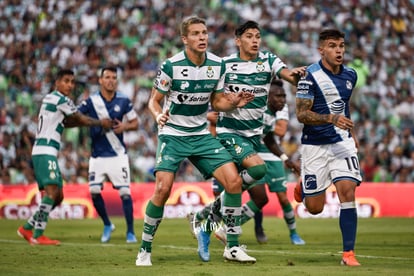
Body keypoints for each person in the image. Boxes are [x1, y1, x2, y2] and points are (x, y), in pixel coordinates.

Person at [135, 16, 256, 266]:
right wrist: (159, 116)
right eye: (196, 33)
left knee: (233, 182)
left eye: (205, 33)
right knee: (162, 189)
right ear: (184, 39)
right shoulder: (171, 66)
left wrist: (233, 103)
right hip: (173, 134)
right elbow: (153, 101)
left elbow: (217, 101)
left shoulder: (217, 65)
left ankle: (231, 247)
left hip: (200, 135)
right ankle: (144, 249)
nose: (202, 37)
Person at [192, 20, 306, 260]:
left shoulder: (268, 60)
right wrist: (230, 101)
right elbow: (215, 100)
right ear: (238, 40)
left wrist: (297, 76)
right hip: (229, 133)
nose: (255, 40)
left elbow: (287, 75)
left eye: (258, 36)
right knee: (258, 168)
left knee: (236, 186)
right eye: (250, 36)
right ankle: (227, 241)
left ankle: (211, 229)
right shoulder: (224, 64)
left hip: (253, 138)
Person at [17, 69, 112, 245]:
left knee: (58, 196)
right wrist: (101, 123)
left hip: (46, 151)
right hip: (45, 150)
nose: (70, 85)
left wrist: (87, 121)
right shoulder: (60, 99)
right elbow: (79, 119)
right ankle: (38, 236)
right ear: (57, 83)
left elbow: (69, 122)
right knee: (52, 192)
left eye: (72, 82)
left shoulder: (52, 99)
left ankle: (27, 227)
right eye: (66, 81)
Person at [294, 29, 362, 266]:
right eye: (332, 46)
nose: (339, 50)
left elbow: (344, 106)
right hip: (314, 146)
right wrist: (331, 119)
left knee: (347, 192)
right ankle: (304, 187)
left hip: (342, 144)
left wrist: (351, 133)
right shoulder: (309, 76)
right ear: (321, 49)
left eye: (341, 45)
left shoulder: (351, 75)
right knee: (314, 208)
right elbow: (301, 114)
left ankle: (348, 254)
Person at [78, 66, 139, 243]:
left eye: (114, 77)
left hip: (118, 155)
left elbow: (135, 123)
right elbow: (76, 117)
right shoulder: (91, 102)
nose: (111, 80)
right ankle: (107, 224)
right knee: (94, 190)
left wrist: (125, 127)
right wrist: (95, 123)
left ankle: (130, 232)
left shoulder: (124, 100)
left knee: (125, 194)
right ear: (100, 80)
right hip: (97, 155)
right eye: (107, 77)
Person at [253, 79, 305, 245]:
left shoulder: (277, 109)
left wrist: (285, 159)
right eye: (278, 96)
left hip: (272, 156)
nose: (282, 100)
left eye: (283, 96)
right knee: (252, 196)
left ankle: (294, 233)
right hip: (250, 155)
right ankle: (212, 223)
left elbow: (279, 132)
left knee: (282, 198)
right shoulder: (257, 107)